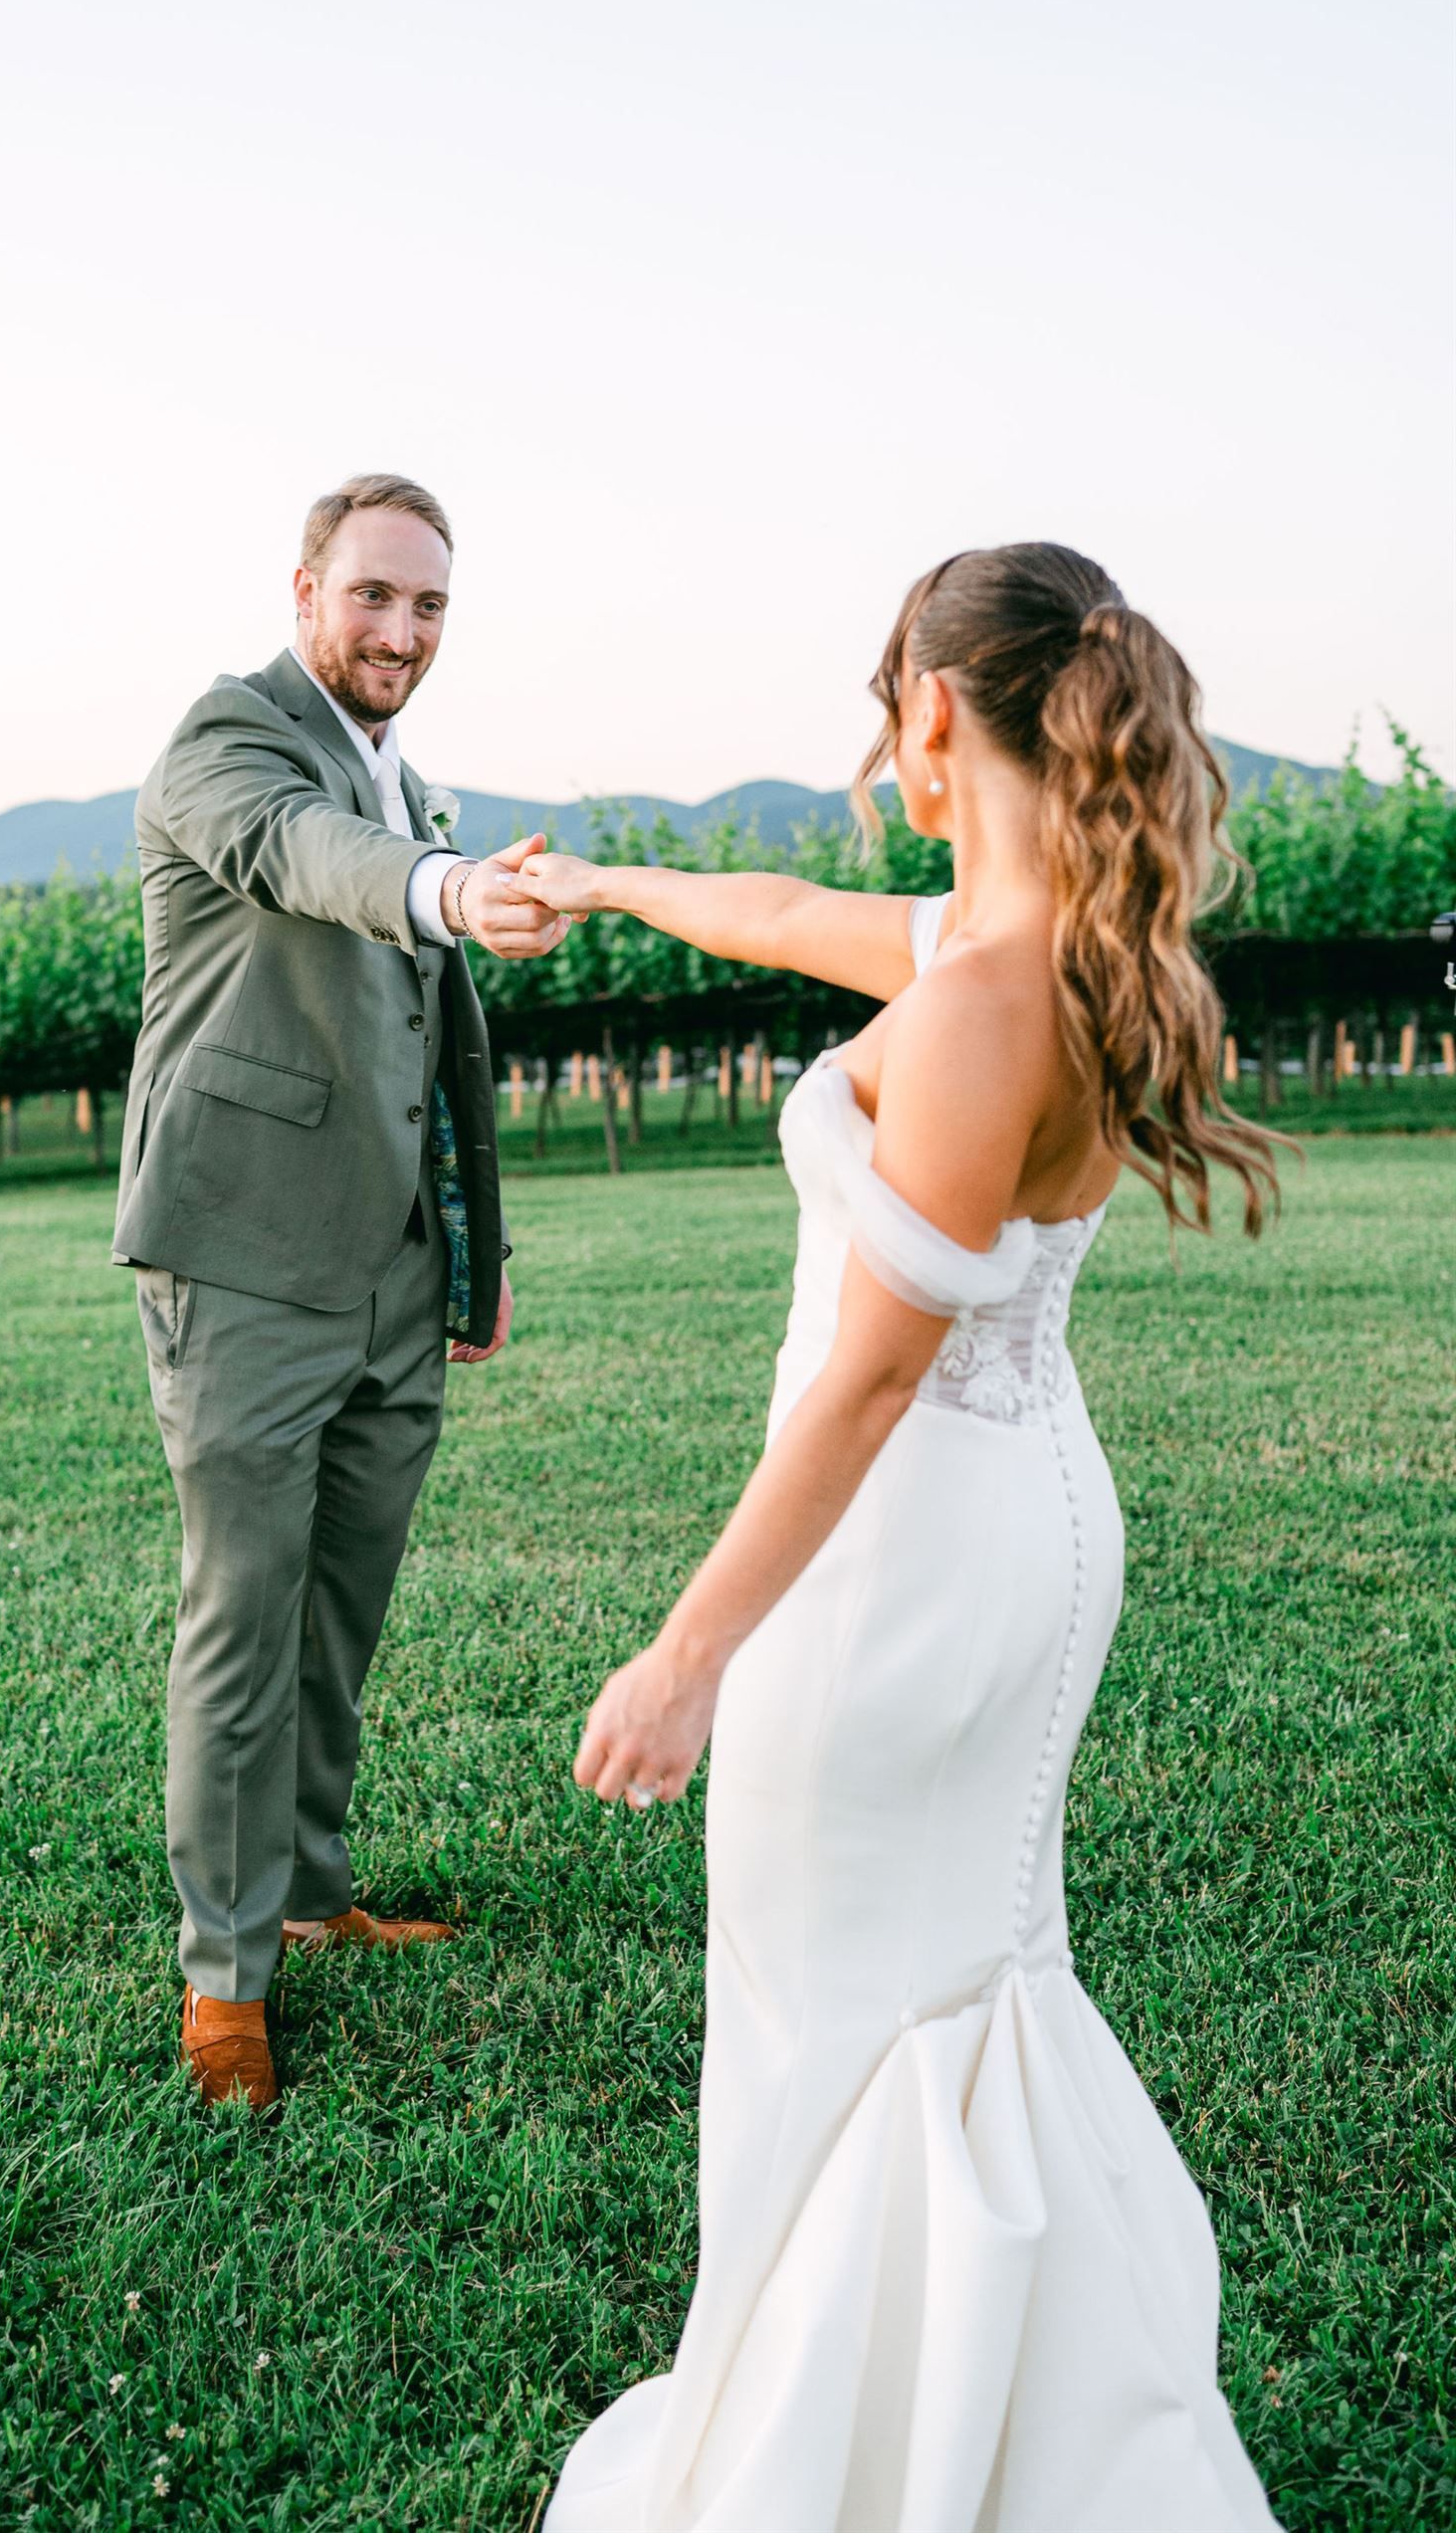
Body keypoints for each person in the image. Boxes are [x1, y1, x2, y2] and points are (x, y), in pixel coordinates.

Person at [519, 544, 1284, 2531]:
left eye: (887, 706)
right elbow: (774, 910)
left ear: (935, 711)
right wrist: (603, 884)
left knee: (836, 2013)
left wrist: (684, 1652)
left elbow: (864, 1386)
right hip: (1013, 1528)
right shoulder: (1041, 954)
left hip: (901, 1567)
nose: (884, 744)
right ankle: (1011, 2429)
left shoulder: (983, 1008)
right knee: (957, 1983)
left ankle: (848, 2465)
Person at [113, 472, 569, 2111]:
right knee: (243, 1622)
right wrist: (448, 886)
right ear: (306, 587)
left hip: (395, 1282)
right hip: (241, 1261)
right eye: (375, 594)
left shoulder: (409, 775)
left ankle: (304, 1898)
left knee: (337, 1616)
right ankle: (221, 1984)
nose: (402, 629)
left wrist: (478, 1248)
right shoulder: (229, 741)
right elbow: (306, 859)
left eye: (430, 605)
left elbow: (439, 1042)